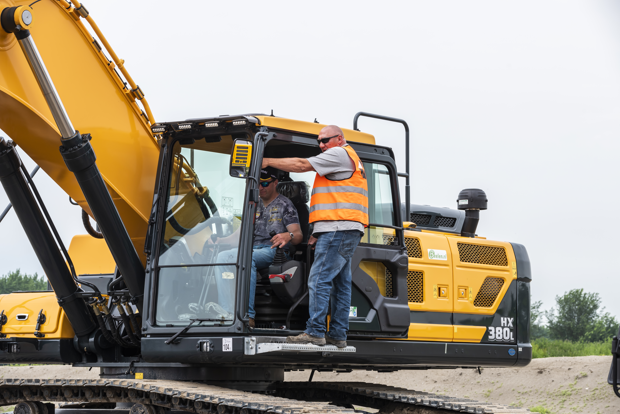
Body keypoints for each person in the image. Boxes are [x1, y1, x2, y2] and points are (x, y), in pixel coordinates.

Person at [261, 125, 368, 347]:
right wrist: (318, 231)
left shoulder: (338, 153)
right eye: (319, 141)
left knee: (318, 278)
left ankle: (315, 331)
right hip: (344, 229)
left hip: (338, 229)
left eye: (326, 140)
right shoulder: (349, 157)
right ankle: (338, 334)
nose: (321, 145)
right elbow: (336, 200)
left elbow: (302, 165)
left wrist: (268, 161)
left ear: (339, 139)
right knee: (341, 283)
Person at [211, 167, 302, 328]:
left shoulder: (285, 205)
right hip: (253, 249)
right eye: (258, 184)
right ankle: (226, 312)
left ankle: (248, 316)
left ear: (275, 183)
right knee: (222, 257)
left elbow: (298, 235)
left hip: (275, 251)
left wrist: (288, 236)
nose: (261, 188)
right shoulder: (253, 205)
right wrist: (220, 241)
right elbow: (240, 235)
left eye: (265, 183)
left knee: (247, 258)